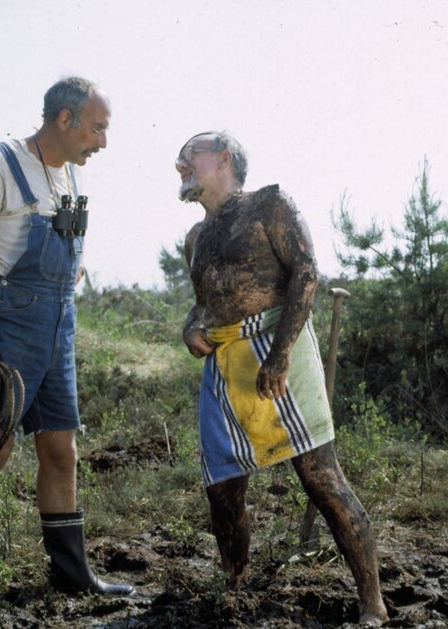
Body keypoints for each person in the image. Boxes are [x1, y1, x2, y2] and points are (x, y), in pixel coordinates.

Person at [177, 131, 388, 626]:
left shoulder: (270, 203)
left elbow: (306, 272)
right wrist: (191, 326)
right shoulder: (195, 237)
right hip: (226, 364)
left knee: (320, 478)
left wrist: (280, 353)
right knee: (222, 490)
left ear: (223, 159)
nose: (180, 165)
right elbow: (203, 304)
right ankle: (237, 588)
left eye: (190, 156)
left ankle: (372, 603)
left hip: (280, 351)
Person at [0, 76, 133, 608]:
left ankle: (72, 574)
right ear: (64, 119)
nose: (102, 141)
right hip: (8, 319)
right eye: (97, 128)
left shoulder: (70, 175)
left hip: (60, 322)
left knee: (61, 448)